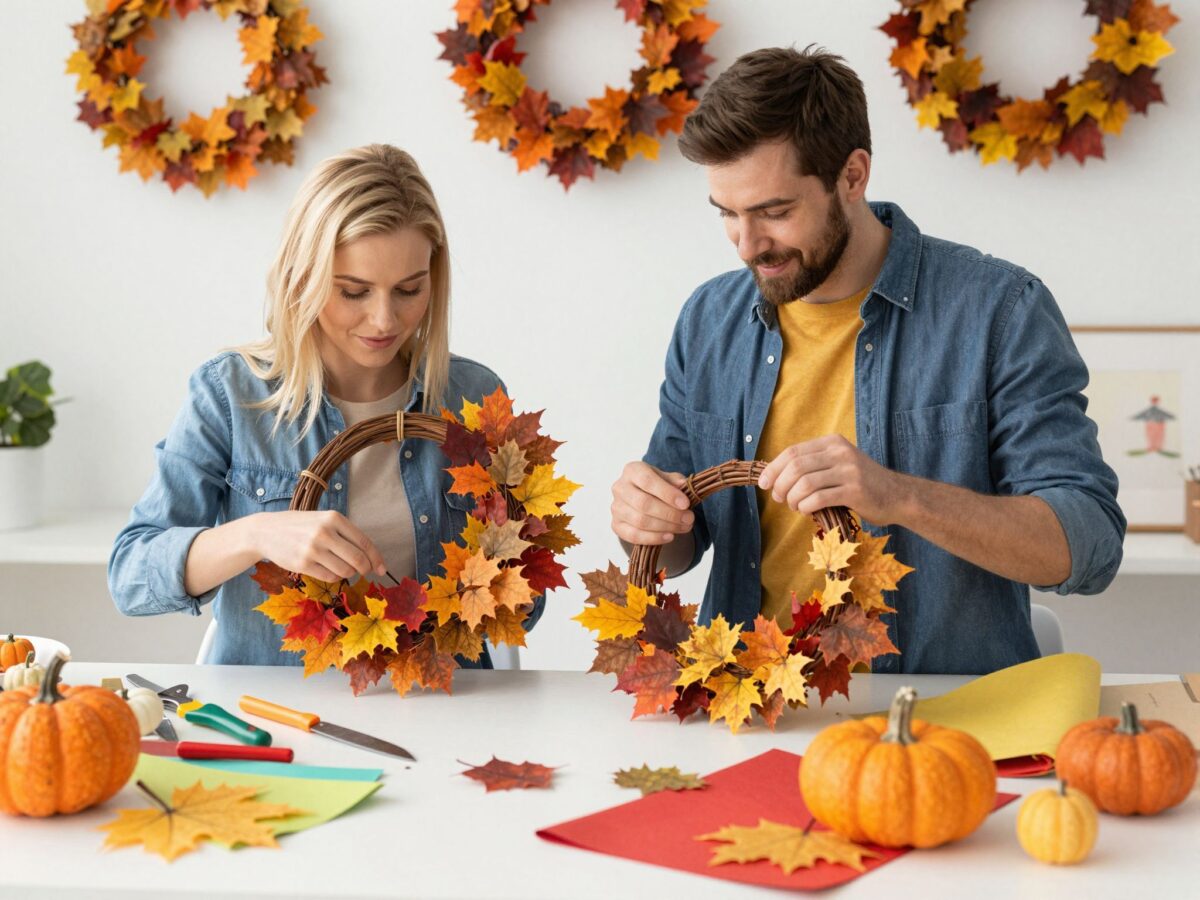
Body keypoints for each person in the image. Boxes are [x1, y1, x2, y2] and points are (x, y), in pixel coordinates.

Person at [609, 47, 1124, 674]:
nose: (748, 245)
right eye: (728, 215)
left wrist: (899, 496)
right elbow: (680, 549)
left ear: (852, 176)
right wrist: (649, 523)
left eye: (775, 212)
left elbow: (1088, 543)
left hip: (940, 721)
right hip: (750, 708)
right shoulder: (708, 319)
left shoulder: (1000, 309)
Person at [110, 144, 540, 665]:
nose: (384, 320)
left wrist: (519, 553)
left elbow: (526, 608)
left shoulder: (471, 395)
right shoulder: (232, 396)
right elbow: (130, 576)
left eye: (408, 289)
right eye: (353, 291)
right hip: (278, 719)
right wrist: (255, 535)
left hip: (440, 711)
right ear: (303, 277)